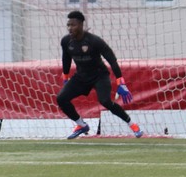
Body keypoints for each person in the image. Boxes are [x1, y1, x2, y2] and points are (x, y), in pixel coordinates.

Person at [57, 10, 143, 139]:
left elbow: (112, 60)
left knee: (105, 101)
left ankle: (132, 125)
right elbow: (66, 58)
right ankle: (81, 125)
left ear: (81, 25)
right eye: (68, 25)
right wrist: (65, 76)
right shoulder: (66, 41)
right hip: (81, 76)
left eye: (73, 25)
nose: (70, 28)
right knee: (61, 98)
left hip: (99, 76)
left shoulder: (94, 41)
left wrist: (120, 81)